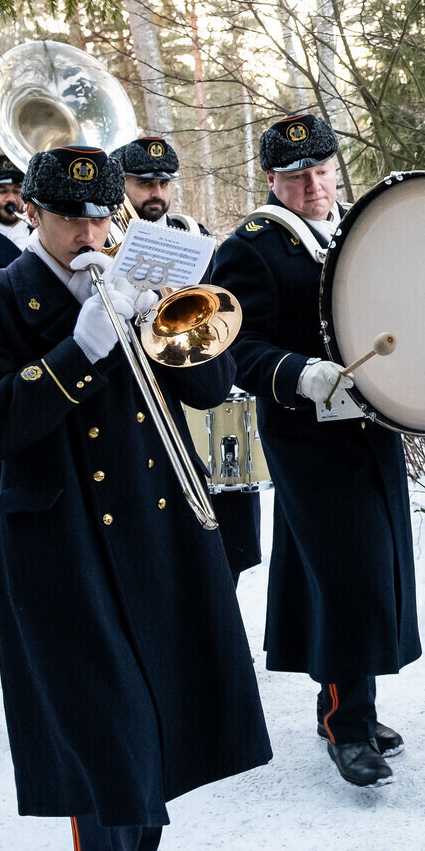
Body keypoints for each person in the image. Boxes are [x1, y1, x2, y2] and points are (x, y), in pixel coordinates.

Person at [0, 145, 271, 851]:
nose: (90, 233)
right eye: (70, 218)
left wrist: (175, 325)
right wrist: (80, 347)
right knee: (103, 735)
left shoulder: (137, 278)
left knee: (159, 717)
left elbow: (212, 394)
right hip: (64, 545)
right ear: (32, 214)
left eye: (100, 216)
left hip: (161, 532)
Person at [207, 114, 418, 788]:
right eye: (298, 177)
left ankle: (358, 706)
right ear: (271, 179)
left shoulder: (356, 230)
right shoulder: (252, 247)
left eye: (323, 172)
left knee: (374, 569)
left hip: (370, 426)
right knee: (345, 576)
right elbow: (237, 347)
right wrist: (298, 372)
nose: (315, 187)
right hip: (307, 437)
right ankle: (344, 725)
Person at [112, 134, 264, 580]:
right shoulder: (104, 247)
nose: (156, 193)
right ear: (120, 185)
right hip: (140, 417)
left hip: (201, 398)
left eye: (164, 183)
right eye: (144, 183)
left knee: (219, 556)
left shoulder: (194, 239)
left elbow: (220, 330)